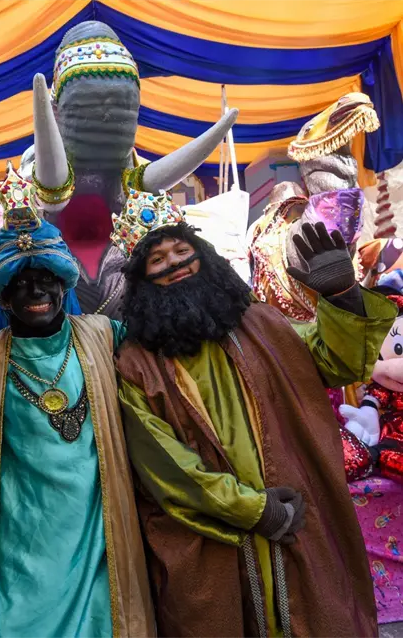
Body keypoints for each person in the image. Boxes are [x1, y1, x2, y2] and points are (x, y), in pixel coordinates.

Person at [111, 188, 396, 638]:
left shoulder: (263, 322)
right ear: (142, 279)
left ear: (203, 255)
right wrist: (256, 510)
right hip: (212, 545)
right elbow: (165, 465)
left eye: (182, 251)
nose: (174, 264)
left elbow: (335, 363)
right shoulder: (135, 364)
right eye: (157, 260)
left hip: (298, 522)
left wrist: (343, 297)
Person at [0, 164, 155, 638]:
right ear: (3, 294)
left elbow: (169, 355)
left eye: (46, 277)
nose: (36, 290)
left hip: (97, 532)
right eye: (20, 280)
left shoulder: (105, 335)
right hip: (19, 539)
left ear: (64, 282)